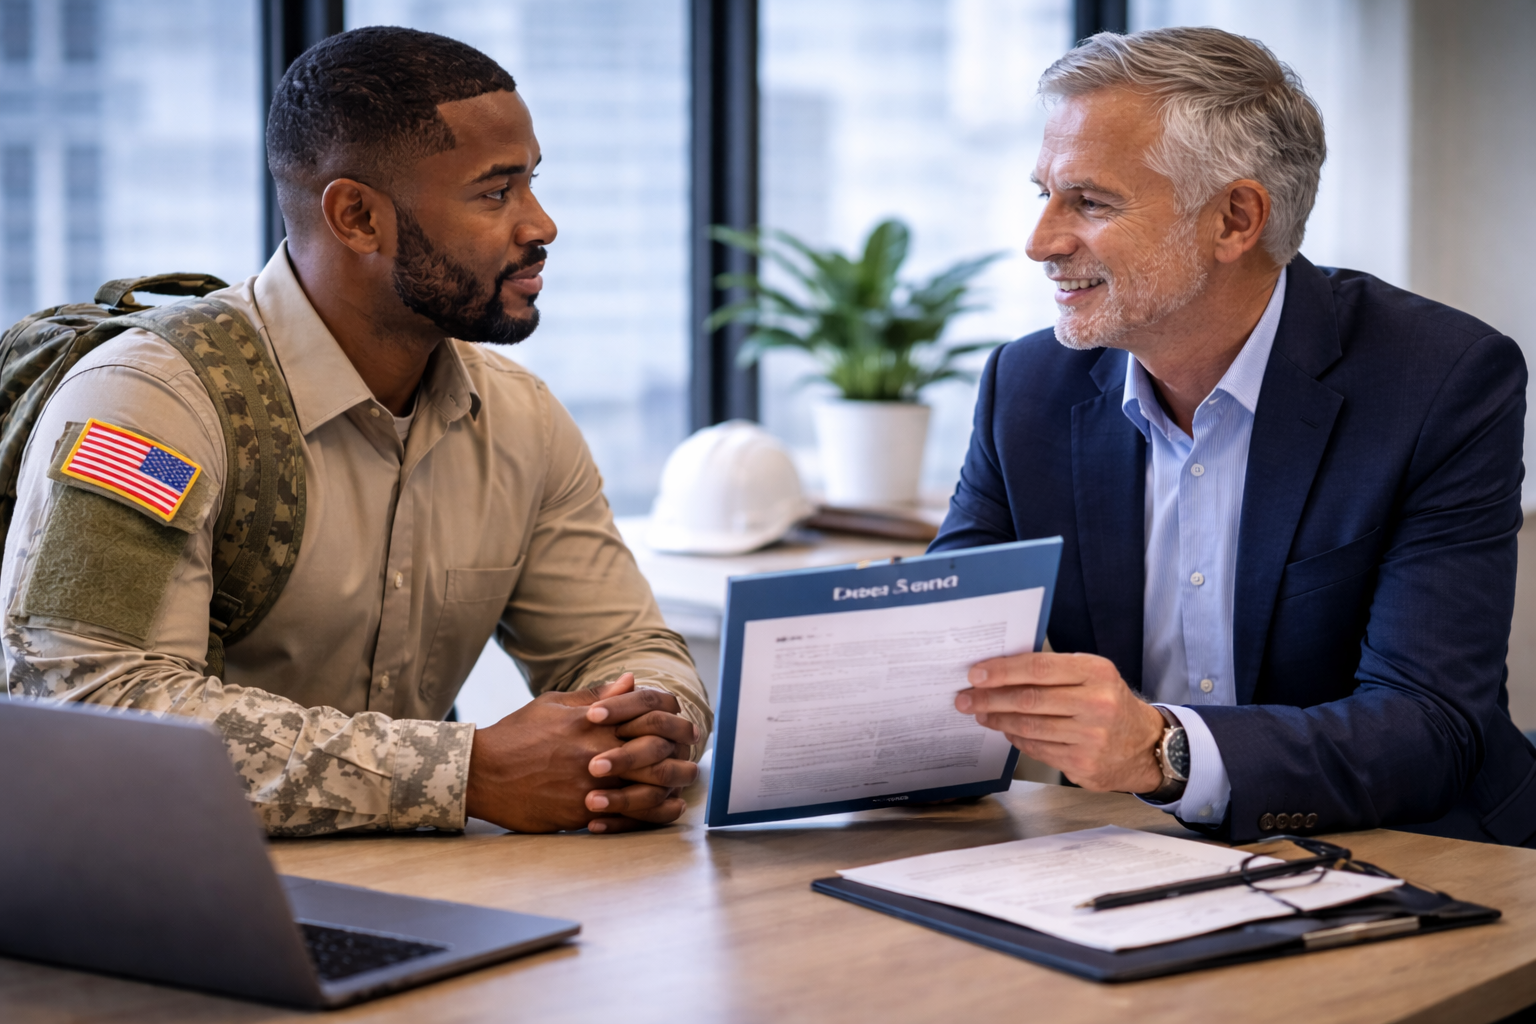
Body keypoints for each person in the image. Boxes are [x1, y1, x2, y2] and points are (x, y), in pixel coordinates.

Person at [0, 26, 709, 837]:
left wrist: (642, 733)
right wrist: (462, 775)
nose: (540, 224)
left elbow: (626, 645)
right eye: (495, 192)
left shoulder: (521, 418)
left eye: (532, 184)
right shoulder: (147, 406)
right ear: (359, 217)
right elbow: (93, 708)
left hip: (423, 895)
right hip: (162, 903)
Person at [935, 26, 1536, 846]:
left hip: (1417, 850)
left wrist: (1164, 751)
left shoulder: (1441, 381)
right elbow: (941, 645)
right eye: (1042, 193)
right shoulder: (1027, 386)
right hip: (1142, 859)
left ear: (1236, 218)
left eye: (1091, 201)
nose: (1041, 242)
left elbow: (1431, 725)